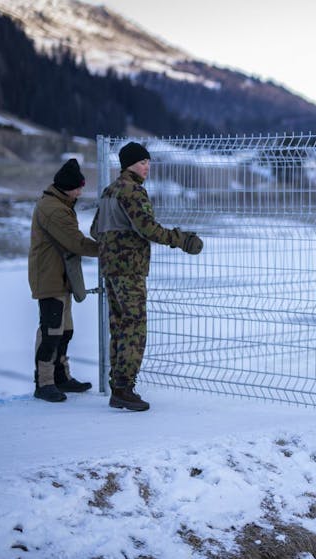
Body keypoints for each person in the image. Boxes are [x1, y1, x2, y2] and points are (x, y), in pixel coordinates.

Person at [91, 142, 203, 412]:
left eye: (148, 163)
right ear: (129, 164)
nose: (147, 167)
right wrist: (181, 240)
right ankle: (124, 388)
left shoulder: (109, 191)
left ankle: (118, 387)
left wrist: (114, 243)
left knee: (119, 327)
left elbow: (96, 230)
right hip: (130, 270)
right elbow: (148, 229)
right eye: (142, 163)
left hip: (111, 270)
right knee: (134, 329)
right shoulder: (133, 191)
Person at [28, 158, 100, 402]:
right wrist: (108, 249)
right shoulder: (54, 209)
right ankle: (44, 382)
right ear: (66, 186)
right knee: (51, 331)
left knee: (65, 331)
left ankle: (61, 377)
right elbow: (75, 242)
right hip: (49, 278)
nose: (81, 191)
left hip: (61, 277)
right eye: (78, 187)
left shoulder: (60, 203)